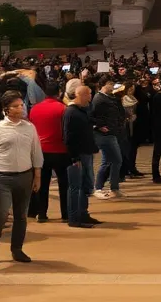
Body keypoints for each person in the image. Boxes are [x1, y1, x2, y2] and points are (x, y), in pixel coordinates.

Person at [0, 90, 41, 265]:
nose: (20, 108)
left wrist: (37, 175)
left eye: (21, 105)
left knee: (21, 215)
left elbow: (36, 152)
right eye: (16, 106)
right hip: (2, 177)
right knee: (1, 214)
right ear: (6, 109)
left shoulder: (30, 128)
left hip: (25, 176)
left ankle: (17, 249)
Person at [28, 81, 70, 223]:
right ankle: (66, 213)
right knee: (64, 183)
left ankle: (42, 213)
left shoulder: (34, 109)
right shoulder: (63, 108)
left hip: (41, 151)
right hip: (60, 150)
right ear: (59, 93)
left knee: (42, 183)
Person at [63, 79, 100, 228]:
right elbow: (68, 137)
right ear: (80, 95)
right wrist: (74, 157)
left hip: (86, 153)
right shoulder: (71, 112)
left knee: (85, 186)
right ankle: (74, 218)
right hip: (77, 156)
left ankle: (84, 214)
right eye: (89, 94)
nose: (90, 97)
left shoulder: (82, 110)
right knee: (75, 187)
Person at [91, 75, 125, 199]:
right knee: (114, 160)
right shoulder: (98, 99)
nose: (112, 86)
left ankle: (109, 188)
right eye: (110, 84)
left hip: (111, 132)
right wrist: (98, 126)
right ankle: (104, 188)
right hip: (104, 135)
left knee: (110, 161)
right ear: (104, 84)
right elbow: (92, 116)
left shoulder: (110, 97)